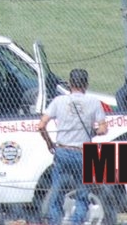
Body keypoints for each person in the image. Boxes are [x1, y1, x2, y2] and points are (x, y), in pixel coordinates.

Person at [37, 69, 107, 225]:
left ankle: (55, 222)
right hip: (83, 153)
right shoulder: (94, 102)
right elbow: (103, 129)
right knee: (82, 195)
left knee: (56, 193)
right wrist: (93, 131)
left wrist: (49, 143)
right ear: (86, 84)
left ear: (69, 84)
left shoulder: (58, 101)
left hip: (62, 150)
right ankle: (76, 222)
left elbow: (41, 125)